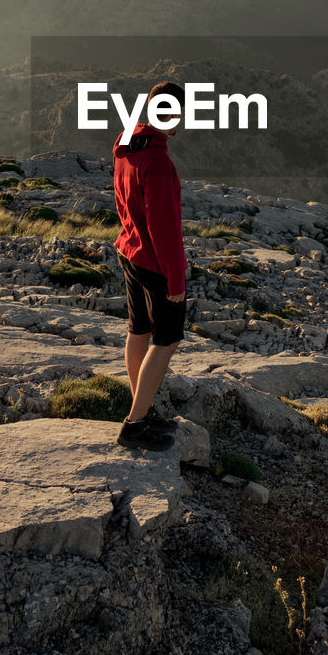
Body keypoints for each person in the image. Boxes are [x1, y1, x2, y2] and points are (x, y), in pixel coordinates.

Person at [113, 80, 187, 451]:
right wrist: (176, 280)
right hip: (154, 263)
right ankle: (136, 424)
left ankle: (138, 406)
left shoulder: (126, 142)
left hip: (129, 251)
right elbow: (165, 228)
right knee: (166, 340)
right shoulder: (158, 161)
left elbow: (122, 199)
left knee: (138, 329)